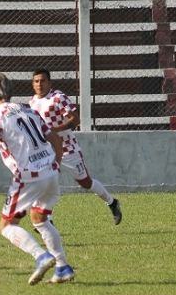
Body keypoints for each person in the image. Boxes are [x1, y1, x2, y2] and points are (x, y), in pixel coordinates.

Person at [0, 72, 75, 285]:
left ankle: (41, 256)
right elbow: (54, 138)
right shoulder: (28, 109)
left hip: (29, 176)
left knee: (6, 226)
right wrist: (55, 164)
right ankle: (63, 268)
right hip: (50, 172)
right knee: (40, 219)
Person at [29, 69, 122, 225]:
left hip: (67, 149)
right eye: (36, 81)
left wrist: (53, 131)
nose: (39, 84)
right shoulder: (32, 102)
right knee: (46, 181)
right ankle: (47, 220)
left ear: (49, 83)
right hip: (47, 151)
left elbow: (75, 120)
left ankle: (112, 202)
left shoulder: (58, 98)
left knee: (85, 182)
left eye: (43, 80)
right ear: (33, 84)